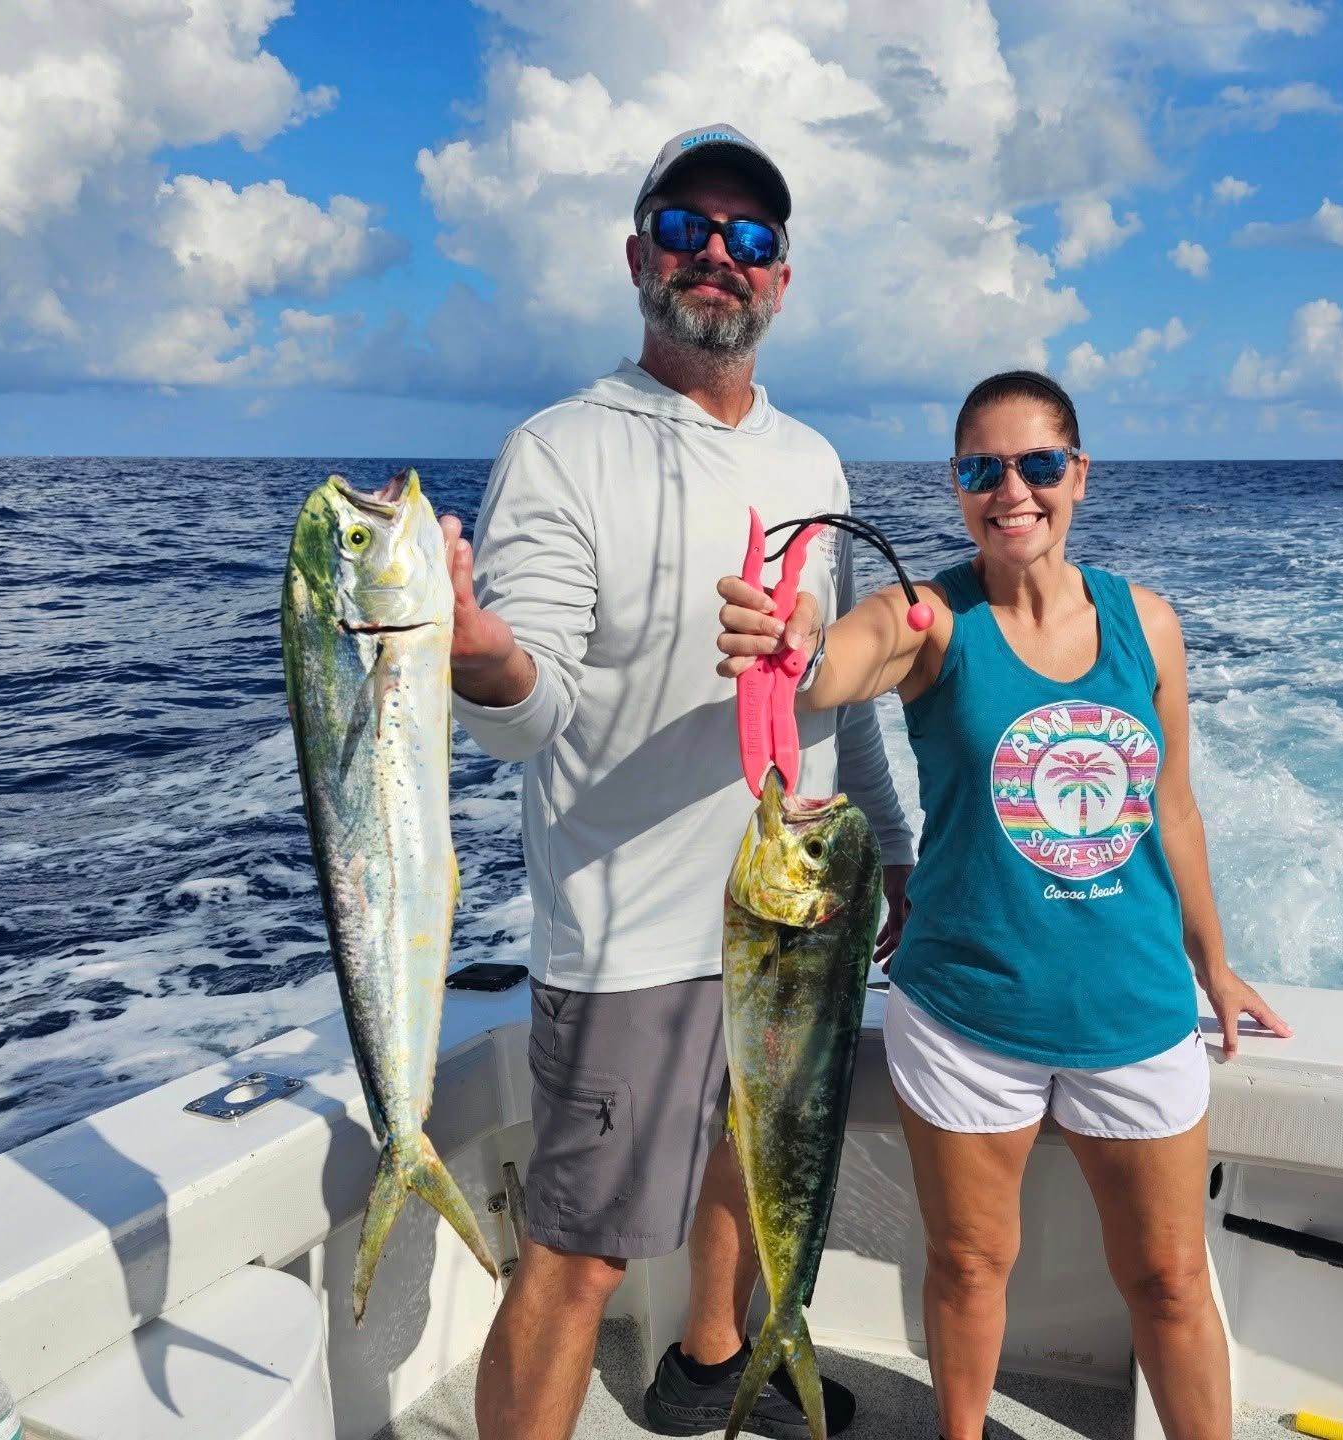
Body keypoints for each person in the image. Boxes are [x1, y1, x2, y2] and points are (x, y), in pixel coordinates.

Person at [443, 122, 914, 1440]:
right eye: (692, 229)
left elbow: (838, 685)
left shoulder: (812, 462)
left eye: (751, 237)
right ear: (639, 254)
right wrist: (481, 660)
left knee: (748, 1157)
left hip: (793, 909)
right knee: (584, 1251)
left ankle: (712, 1360)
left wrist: (895, 849)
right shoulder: (561, 449)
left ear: (781, 277)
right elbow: (529, 720)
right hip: (631, 933)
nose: (720, 255)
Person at [716, 370, 1292, 1440]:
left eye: (1038, 464)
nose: (1012, 490)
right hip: (968, 1009)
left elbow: (1173, 809)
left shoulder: (1146, 624)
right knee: (972, 1265)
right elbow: (838, 660)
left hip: (1133, 1005)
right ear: (957, 484)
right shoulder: (932, 618)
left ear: (1080, 475)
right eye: (984, 468)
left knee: (1169, 1278)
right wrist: (798, 638)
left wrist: (1214, 962)